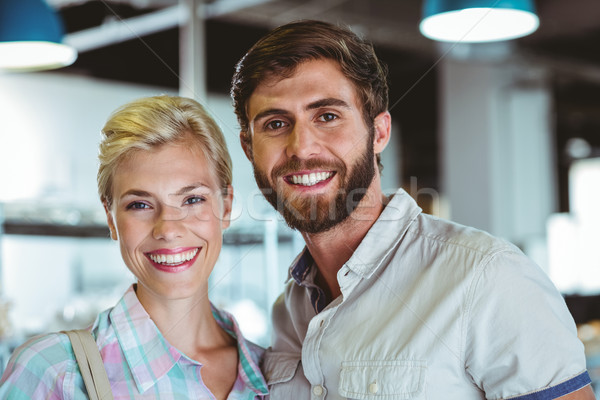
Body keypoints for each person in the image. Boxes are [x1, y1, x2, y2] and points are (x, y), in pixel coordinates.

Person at [231, 20, 595, 399]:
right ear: (248, 148)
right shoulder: (287, 313)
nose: (302, 148)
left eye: (327, 116)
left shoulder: (487, 278)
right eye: (275, 123)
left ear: (380, 132)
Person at [0, 95, 268, 399]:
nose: (168, 229)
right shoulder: (53, 373)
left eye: (192, 199)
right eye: (139, 204)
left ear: (227, 207)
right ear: (111, 219)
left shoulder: (275, 374)